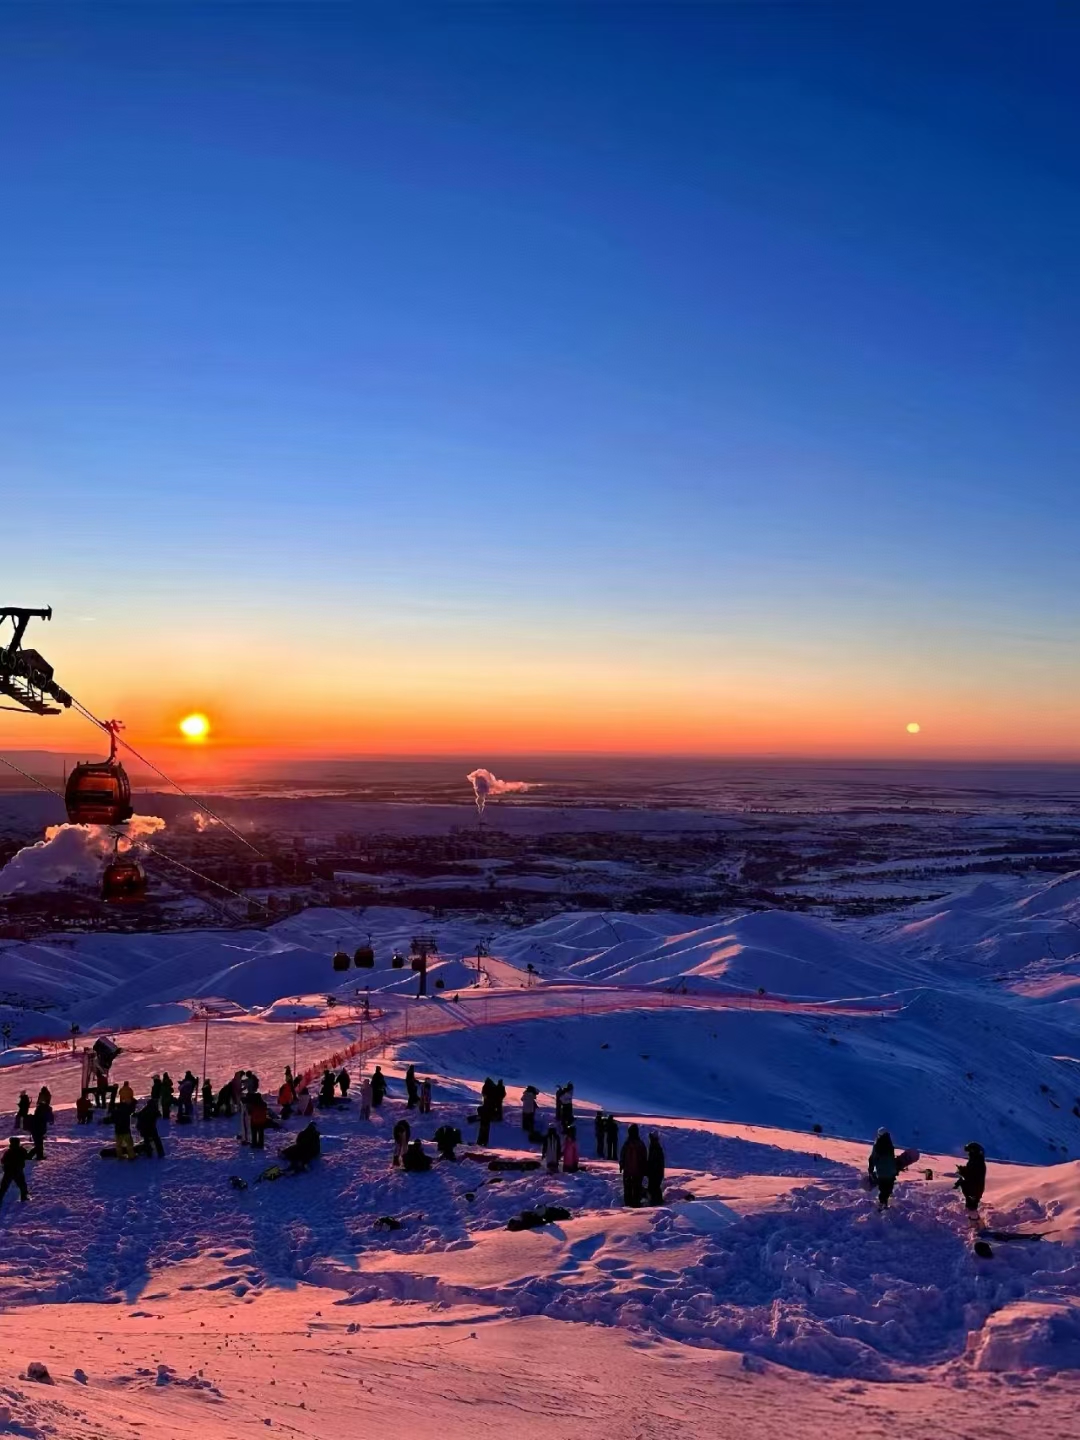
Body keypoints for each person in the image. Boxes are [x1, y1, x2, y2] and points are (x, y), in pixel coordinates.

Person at [868, 1129, 899, 1210]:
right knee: (888, 1187)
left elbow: (872, 1158)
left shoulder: (877, 1145)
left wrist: (870, 1170)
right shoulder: (890, 1145)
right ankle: (885, 1202)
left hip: (881, 1171)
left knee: (882, 1188)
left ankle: (882, 1204)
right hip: (891, 1171)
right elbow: (891, 1158)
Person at [619, 1123, 648, 1207]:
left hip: (628, 1171)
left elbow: (622, 1155)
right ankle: (635, 1205)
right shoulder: (640, 1144)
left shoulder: (627, 1144)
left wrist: (622, 1165)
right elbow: (644, 1158)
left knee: (628, 1189)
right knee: (636, 1189)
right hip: (637, 1172)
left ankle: (629, 1205)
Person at [955, 1141, 987, 1212]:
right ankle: (974, 1219)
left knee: (971, 1209)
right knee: (971, 1208)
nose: (969, 1154)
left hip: (974, 1189)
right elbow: (971, 1172)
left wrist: (963, 1172)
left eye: (970, 1152)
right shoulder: (976, 1161)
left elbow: (973, 1175)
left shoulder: (977, 1161)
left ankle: (974, 1220)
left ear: (974, 1152)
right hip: (973, 1189)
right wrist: (963, 1170)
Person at [0, 1137, 29, 1206]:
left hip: (9, 1171)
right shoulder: (21, 1150)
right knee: (22, 1185)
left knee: (4, 1187)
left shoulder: (8, 1151)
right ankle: (24, 1198)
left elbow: (3, 1161)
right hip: (18, 1170)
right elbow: (27, 1156)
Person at [113, 1091, 137, 1160]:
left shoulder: (115, 1113)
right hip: (126, 1131)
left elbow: (110, 1119)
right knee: (129, 1144)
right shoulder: (126, 1111)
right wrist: (132, 1101)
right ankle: (131, 1156)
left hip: (118, 1131)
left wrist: (103, 1121)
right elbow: (132, 1108)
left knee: (118, 1145)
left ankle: (120, 1156)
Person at [27, 1097, 52, 1161]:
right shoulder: (44, 1110)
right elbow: (48, 1119)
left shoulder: (38, 1110)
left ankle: (39, 1156)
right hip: (38, 1129)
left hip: (35, 1129)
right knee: (39, 1144)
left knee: (39, 1144)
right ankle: (31, 1155)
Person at [646, 1130, 665, 1205]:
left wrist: (649, 1170)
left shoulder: (655, 1148)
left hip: (655, 1172)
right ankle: (657, 1202)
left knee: (654, 1187)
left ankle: (656, 1203)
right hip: (657, 1172)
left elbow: (653, 1162)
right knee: (655, 1187)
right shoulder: (655, 1147)